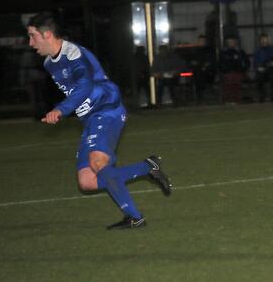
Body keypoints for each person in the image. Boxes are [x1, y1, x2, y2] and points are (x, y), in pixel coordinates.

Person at [26, 12, 172, 229]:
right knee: (87, 181)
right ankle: (146, 167)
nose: (30, 43)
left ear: (47, 34)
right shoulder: (49, 63)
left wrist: (61, 109)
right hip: (91, 119)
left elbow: (85, 86)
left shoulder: (73, 54)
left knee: (97, 162)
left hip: (106, 109)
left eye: (32, 36)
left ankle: (134, 217)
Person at [19, 47, 48, 120]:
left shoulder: (27, 55)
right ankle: (41, 112)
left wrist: (22, 80)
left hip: (32, 76)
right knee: (39, 97)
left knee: (34, 97)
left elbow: (24, 68)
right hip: (38, 76)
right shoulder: (40, 53)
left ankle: (37, 113)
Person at [219, 36, 249, 104]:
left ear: (235, 42)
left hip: (238, 72)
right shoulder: (223, 52)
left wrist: (243, 70)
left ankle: (237, 100)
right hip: (227, 73)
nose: (231, 43)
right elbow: (219, 63)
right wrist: (224, 70)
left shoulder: (240, 52)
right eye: (229, 42)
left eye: (232, 41)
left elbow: (247, 62)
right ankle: (228, 101)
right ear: (227, 43)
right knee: (228, 86)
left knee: (237, 86)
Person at [252, 33, 273, 103]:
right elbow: (255, 63)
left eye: (265, 39)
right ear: (260, 41)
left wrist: (270, 65)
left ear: (268, 40)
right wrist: (258, 68)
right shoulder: (258, 51)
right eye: (262, 40)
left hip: (271, 70)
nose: (264, 41)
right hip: (261, 71)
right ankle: (262, 98)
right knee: (258, 78)